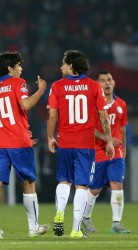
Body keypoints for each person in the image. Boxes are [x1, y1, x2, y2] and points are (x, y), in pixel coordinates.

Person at [47, 50, 115, 239]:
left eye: (63, 63)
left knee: (63, 181)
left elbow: (52, 115)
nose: (61, 67)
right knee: (82, 186)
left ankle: (59, 212)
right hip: (85, 144)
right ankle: (76, 229)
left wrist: (50, 137)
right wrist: (108, 140)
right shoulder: (94, 86)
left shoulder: (57, 86)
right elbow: (103, 116)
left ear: (70, 65)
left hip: (65, 142)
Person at [0, 51, 49, 239]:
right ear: (10, 68)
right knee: (28, 183)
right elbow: (26, 104)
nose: (21, 68)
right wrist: (41, 90)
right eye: (18, 65)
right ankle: (33, 227)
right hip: (19, 142)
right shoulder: (18, 83)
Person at [82, 70, 131, 234]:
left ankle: (116, 223)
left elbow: (123, 129)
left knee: (117, 184)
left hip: (116, 153)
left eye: (109, 80)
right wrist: (106, 138)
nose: (107, 83)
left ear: (114, 82)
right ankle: (85, 217)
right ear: (98, 85)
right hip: (97, 152)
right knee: (95, 189)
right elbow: (87, 128)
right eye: (102, 81)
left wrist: (123, 149)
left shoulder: (122, 104)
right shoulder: (92, 105)